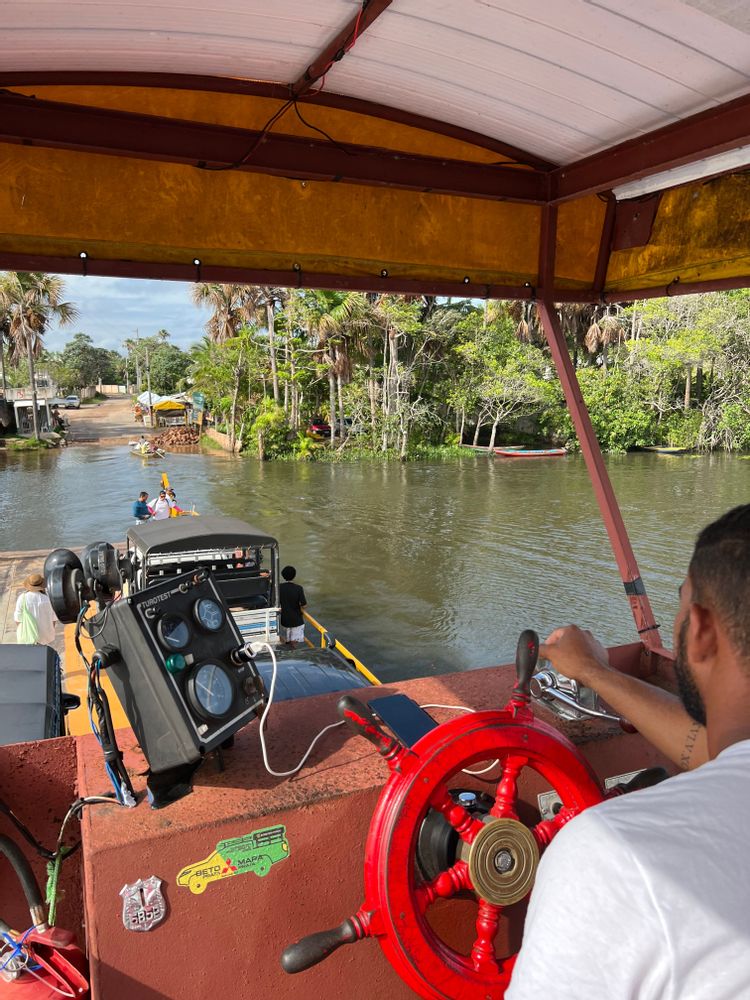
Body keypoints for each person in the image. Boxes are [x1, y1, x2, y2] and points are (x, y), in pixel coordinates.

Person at [507, 504, 750, 999]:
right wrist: (597, 674)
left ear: (701, 630)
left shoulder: (612, 858)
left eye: (680, 601)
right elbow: (718, 755)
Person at [14, 573, 57, 646]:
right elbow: (53, 619)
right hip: (45, 636)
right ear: (42, 585)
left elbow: (18, 620)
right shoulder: (49, 599)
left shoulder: (22, 598)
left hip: (28, 637)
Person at [279, 565, 307, 649]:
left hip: (284, 620)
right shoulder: (298, 588)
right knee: (294, 644)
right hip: (296, 620)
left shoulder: (279, 587)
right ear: (294, 575)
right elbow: (304, 605)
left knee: (286, 642)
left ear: (283, 575)